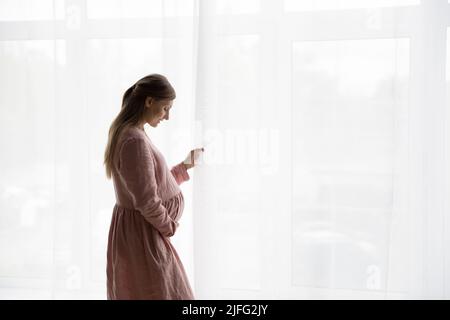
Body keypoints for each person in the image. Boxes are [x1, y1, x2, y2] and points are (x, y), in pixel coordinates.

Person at [103, 74, 203, 299]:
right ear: (149, 101)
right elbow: (147, 201)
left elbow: (149, 184)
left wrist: (185, 166)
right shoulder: (134, 140)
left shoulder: (133, 134)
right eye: (165, 108)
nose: (167, 116)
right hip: (144, 237)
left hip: (141, 233)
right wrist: (170, 227)